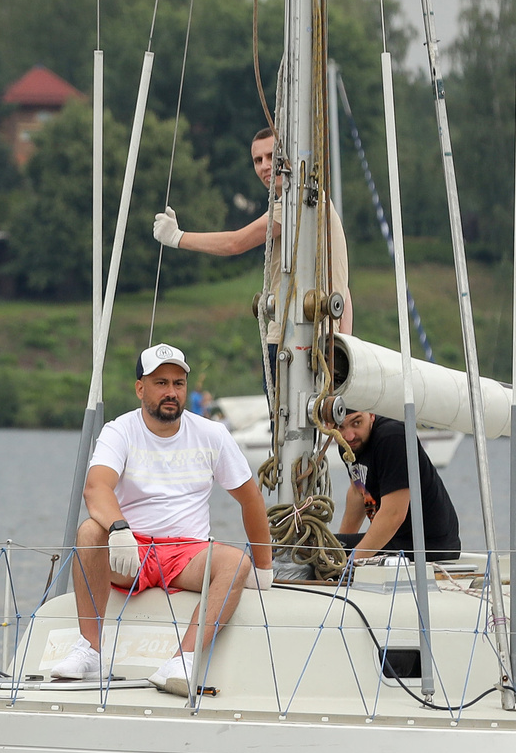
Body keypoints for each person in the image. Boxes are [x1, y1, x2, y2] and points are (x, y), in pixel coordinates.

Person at [52, 344, 276, 693]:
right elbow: (96, 488)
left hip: (187, 553)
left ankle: (182, 661)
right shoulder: (119, 430)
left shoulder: (212, 434)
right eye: (160, 383)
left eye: (178, 383)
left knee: (236, 563)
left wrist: (264, 569)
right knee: (88, 531)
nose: (171, 392)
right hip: (131, 550)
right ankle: (90, 648)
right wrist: (119, 529)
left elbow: (250, 499)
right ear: (140, 388)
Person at [150, 127, 354, 351]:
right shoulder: (317, 201)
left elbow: (235, 243)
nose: (265, 165)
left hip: (295, 343)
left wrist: (177, 237)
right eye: (258, 160)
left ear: (291, 156)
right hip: (322, 343)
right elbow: (344, 291)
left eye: (272, 156)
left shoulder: (296, 202)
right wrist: (343, 345)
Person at [333, 403, 461, 561]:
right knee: (318, 546)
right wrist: (337, 544)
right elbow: (358, 493)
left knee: (323, 551)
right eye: (340, 427)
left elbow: (393, 515)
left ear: (372, 415)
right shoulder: (348, 445)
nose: (349, 436)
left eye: (357, 423)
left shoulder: (392, 437)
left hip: (428, 546)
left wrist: (350, 564)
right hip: (393, 541)